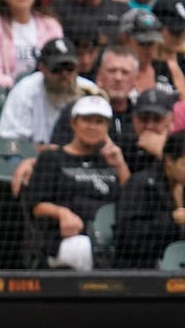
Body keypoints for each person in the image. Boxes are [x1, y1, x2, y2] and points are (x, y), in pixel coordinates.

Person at [26, 93, 131, 268]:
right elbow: (36, 206)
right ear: (73, 123)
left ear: (108, 127)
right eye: (87, 120)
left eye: (99, 122)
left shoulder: (111, 160)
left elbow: (131, 200)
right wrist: (61, 213)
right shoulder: (52, 158)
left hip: (109, 237)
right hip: (68, 238)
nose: (93, 127)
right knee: (81, 248)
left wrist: (120, 165)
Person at [113, 128, 185, 267]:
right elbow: (125, 236)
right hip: (141, 270)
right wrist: (172, 220)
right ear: (170, 160)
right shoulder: (140, 184)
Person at [0, 37, 96, 151]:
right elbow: (11, 143)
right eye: (57, 68)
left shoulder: (90, 92)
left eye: (69, 67)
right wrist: (47, 151)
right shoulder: (24, 91)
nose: (64, 74)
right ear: (42, 68)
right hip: (35, 162)